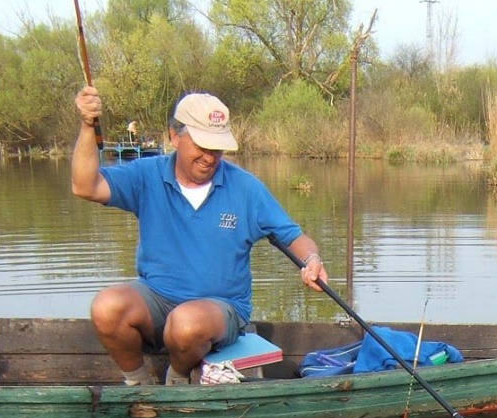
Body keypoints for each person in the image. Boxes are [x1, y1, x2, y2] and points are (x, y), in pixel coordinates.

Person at [72, 87, 328, 386]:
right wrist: (89, 125)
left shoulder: (247, 188)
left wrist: (311, 259)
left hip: (219, 310)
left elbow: (293, 236)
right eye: (202, 146)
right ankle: (139, 385)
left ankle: (178, 377)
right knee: (107, 305)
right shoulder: (146, 175)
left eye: (217, 148)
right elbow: (85, 185)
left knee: (186, 321)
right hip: (157, 297)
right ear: (174, 136)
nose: (210, 157)